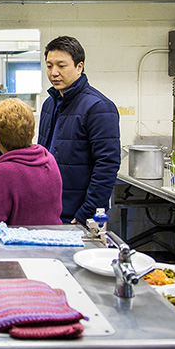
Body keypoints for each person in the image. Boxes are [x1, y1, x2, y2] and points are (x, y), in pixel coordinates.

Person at [37, 36, 120, 226]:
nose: (54, 73)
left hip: (77, 213)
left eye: (61, 65)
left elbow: (107, 165)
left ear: (79, 67)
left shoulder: (99, 107)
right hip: (50, 209)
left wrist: (87, 213)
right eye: (49, 66)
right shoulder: (50, 104)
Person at [0, 98, 62, 226]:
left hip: (20, 244)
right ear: (33, 133)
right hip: (52, 242)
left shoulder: (5, 171)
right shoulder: (49, 159)